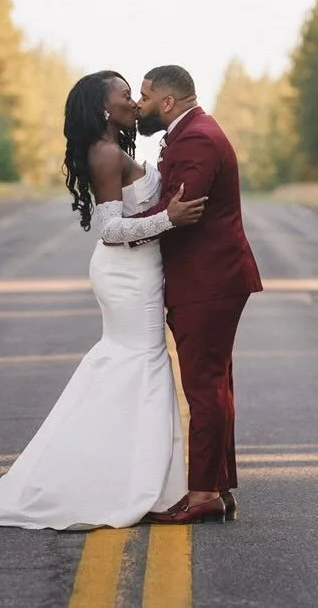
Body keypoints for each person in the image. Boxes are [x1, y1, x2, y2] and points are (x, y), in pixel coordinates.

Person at [0, 69, 205, 530]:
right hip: (125, 273)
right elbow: (109, 230)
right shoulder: (104, 154)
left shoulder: (116, 149)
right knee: (141, 363)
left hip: (139, 270)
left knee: (133, 365)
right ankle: (127, 483)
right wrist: (170, 221)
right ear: (105, 108)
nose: (135, 103)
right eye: (127, 96)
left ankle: (135, 478)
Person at [133, 64, 262, 525]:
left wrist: (119, 225)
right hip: (211, 279)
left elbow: (176, 209)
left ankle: (203, 491)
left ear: (167, 102)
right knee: (216, 384)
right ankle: (218, 487)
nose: (138, 104)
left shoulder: (197, 139)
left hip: (208, 281)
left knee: (204, 387)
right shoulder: (192, 132)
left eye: (144, 96)